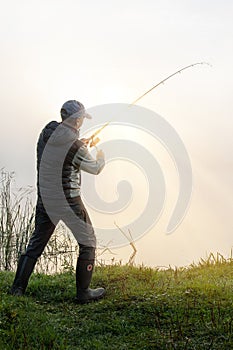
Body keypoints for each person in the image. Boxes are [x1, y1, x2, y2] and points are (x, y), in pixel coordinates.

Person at [11, 100, 106, 304]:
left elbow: (61, 154)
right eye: (82, 119)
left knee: (35, 245)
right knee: (88, 242)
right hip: (69, 202)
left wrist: (82, 144)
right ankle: (83, 292)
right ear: (78, 120)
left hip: (46, 200)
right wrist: (98, 150)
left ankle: (17, 288)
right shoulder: (75, 145)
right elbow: (95, 168)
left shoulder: (46, 133)